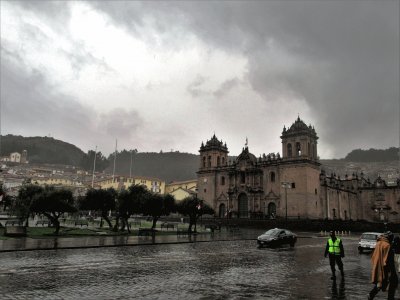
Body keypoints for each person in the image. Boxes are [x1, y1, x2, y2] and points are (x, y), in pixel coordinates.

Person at [369, 231, 398, 300]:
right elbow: (389, 259)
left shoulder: (378, 243)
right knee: (393, 282)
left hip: (378, 266)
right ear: (389, 238)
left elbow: (373, 256)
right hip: (386, 267)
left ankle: (371, 295)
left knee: (380, 282)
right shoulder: (387, 245)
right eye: (392, 238)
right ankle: (390, 298)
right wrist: (392, 271)